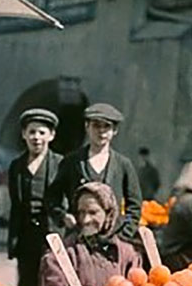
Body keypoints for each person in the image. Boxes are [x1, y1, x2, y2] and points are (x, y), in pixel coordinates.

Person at [49, 103, 142, 241]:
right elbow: (52, 197)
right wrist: (62, 216)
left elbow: (134, 206)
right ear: (87, 127)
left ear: (114, 130)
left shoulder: (123, 165)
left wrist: (125, 231)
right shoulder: (71, 162)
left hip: (112, 239)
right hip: (78, 236)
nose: (102, 132)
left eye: (107, 127)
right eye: (96, 126)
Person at [39, 182, 142, 286]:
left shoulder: (128, 255)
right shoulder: (62, 255)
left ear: (109, 214)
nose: (85, 220)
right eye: (81, 212)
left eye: (93, 212)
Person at [7, 108, 64, 286]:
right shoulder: (17, 166)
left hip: (51, 232)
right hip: (25, 234)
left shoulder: (60, 164)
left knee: (51, 280)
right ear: (24, 135)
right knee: (26, 283)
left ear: (51, 135)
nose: (36, 137)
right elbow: (15, 204)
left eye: (42, 132)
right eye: (31, 132)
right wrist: (13, 240)